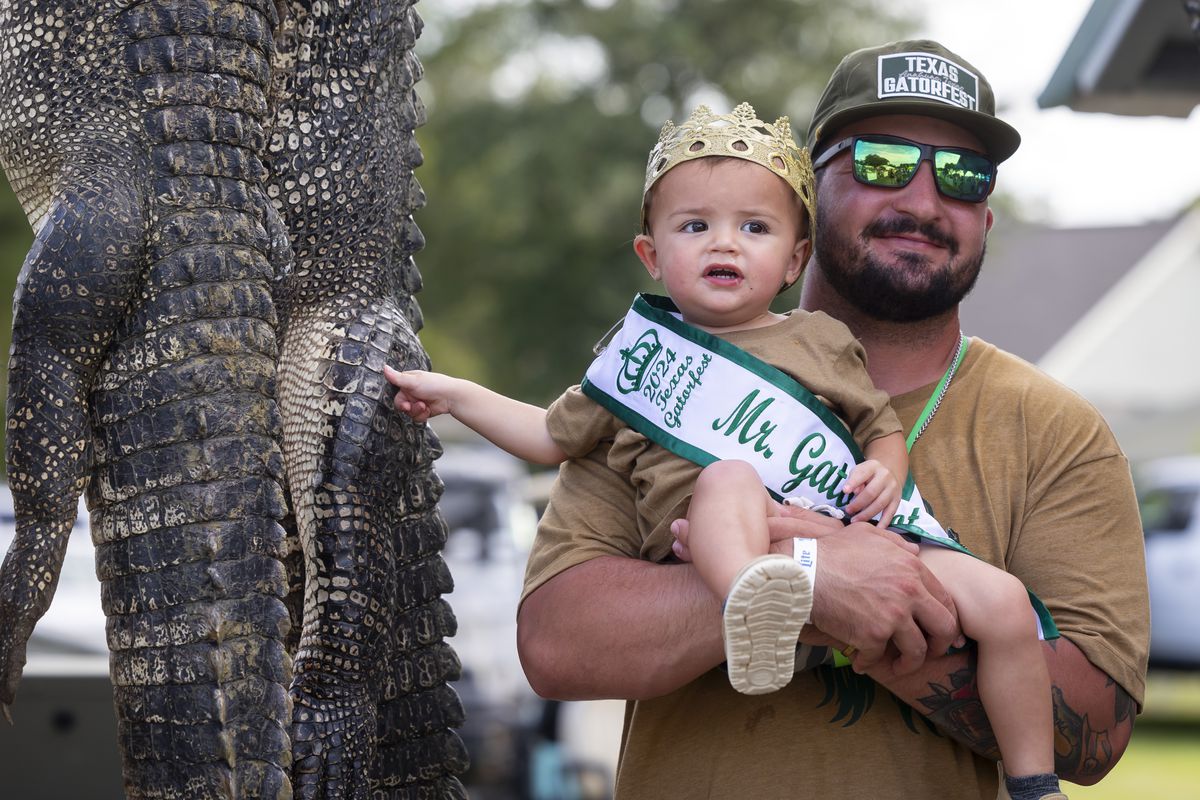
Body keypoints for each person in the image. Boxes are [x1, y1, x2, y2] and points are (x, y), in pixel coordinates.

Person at [515, 39, 1149, 800]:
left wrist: (875, 609)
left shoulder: (1056, 431)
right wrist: (807, 580)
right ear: (812, 188)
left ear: (984, 213)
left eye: (962, 175)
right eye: (881, 162)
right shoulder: (669, 375)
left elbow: (1096, 733)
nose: (921, 201)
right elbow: (555, 644)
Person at [386, 101, 913, 697]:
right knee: (731, 477)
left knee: (994, 602)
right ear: (651, 255)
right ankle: (754, 594)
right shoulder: (636, 360)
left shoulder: (821, 341)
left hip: (823, 536)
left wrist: (886, 472)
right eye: (695, 226)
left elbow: (879, 424)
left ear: (795, 258)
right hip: (692, 583)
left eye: (754, 227)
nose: (725, 244)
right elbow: (547, 437)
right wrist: (457, 395)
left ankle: (1031, 783)